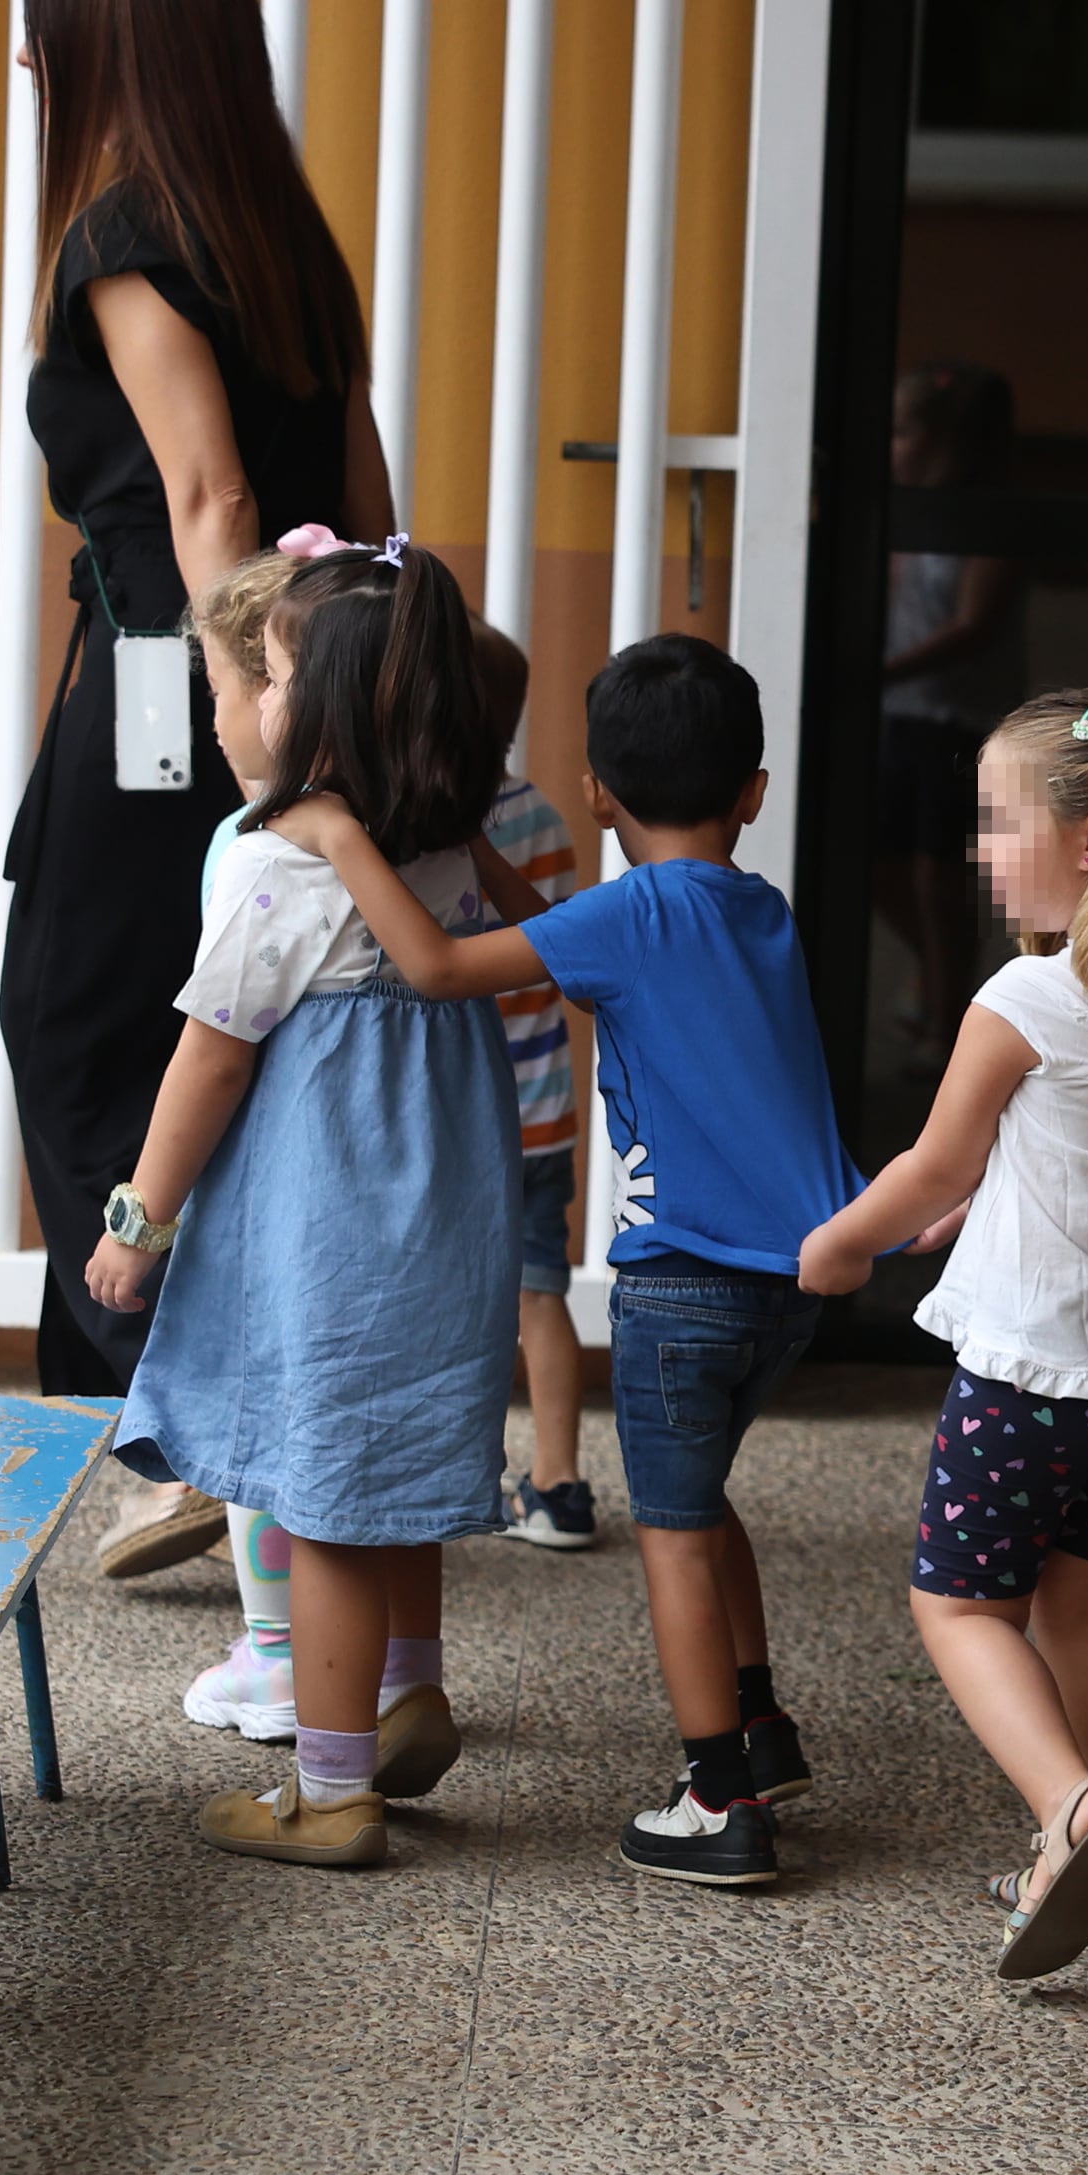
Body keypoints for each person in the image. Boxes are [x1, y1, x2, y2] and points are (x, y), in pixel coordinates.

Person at [280, 638, 865, 1889]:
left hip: (679, 1287)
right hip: (783, 1288)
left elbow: (439, 971)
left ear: (598, 795)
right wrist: (489, 868)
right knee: (704, 1506)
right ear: (752, 791)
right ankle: (761, 1729)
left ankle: (717, 1801)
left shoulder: (632, 917)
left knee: (669, 1534)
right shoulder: (751, 910)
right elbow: (578, 950)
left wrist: (343, 842)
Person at [0, 0, 394, 1582]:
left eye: (42, 29)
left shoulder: (122, 233)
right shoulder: (281, 234)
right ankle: (205, 1411)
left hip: (184, 687)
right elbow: (360, 495)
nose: (26, 60)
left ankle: (159, 1395)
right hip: (275, 676)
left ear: (100, 46)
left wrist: (253, 722)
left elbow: (211, 494)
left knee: (79, 1013)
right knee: (208, 1026)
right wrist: (362, 691)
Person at [89, 540, 517, 1870]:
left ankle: (331, 1790)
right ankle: (407, 1695)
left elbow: (211, 1050)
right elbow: (538, 937)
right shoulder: (446, 846)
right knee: (390, 1465)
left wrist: (137, 1219)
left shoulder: (292, 864)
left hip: (336, 1211)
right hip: (441, 1211)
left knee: (326, 1494)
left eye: (268, 673)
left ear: (320, 711)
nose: (258, 699)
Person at [800, 690, 1088, 1980]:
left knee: (958, 1609)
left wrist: (838, 1247)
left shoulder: (1025, 994)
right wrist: (984, 1199)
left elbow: (934, 1163)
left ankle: (1071, 1811)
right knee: (1087, 1608)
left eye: (998, 824)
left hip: (1037, 1371)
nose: (980, 853)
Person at [170, 542, 317, 1742]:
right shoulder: (416, 833)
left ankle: (279, 1653)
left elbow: (220, 1041)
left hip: (272, 1192)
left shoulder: (259, 849)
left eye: (225, 687)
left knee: (257, 1426)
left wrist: (144, 1206)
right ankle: (375, 1661)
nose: (218, 719)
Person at [469, 624, 595, 1551]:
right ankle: (558, 1482)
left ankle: (454, 1473)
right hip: (543, 1110)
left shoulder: (425, 829)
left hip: (461, 1115)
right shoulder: (545, 818)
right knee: (540, 1294)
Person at [875, 362, 1028, 1066]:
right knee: (878, 864)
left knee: (939, 876)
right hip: (892, 711)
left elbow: (974, 625)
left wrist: (875, 673)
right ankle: (937, 982)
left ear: (942, 442)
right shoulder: (889, 507)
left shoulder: (983, 519)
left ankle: (948, 1021)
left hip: (957, 720)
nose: (892, 446)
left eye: (902, 431)